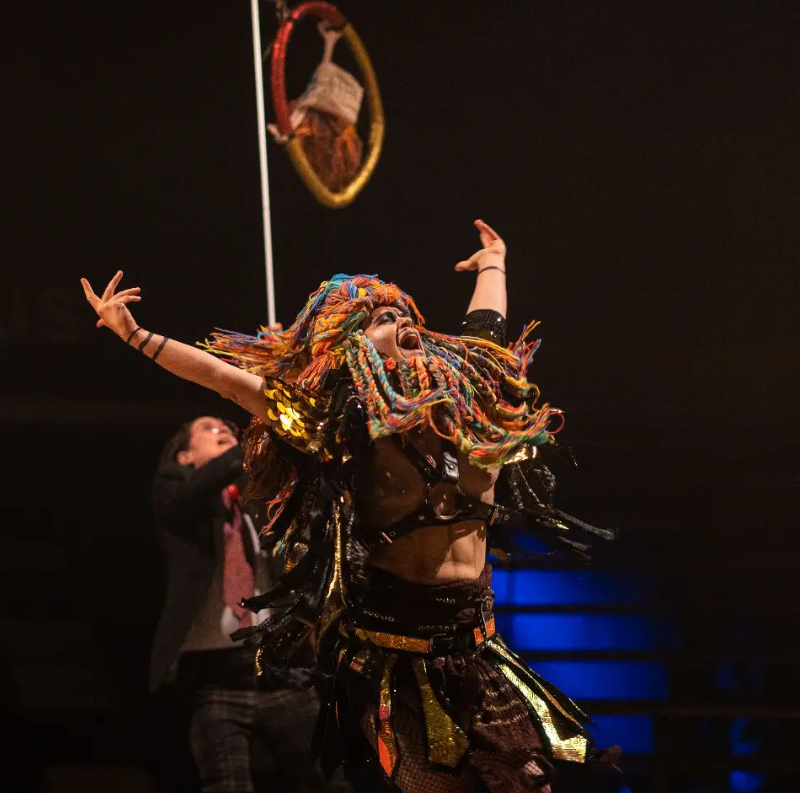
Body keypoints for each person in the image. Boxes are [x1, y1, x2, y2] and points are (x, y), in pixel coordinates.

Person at [82, 219, 620, 793]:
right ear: (352, 349)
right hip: (397, 657)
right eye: (381, 319)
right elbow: (225, 379)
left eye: (405, 314)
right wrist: (135, 335)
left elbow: (486, 326)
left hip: (477, 647)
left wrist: (494, 262)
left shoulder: (473, 399)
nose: (403, 322)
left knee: (530, 783)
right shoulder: (342, 429)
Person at [149, 415, 337, 793]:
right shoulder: (174, 492)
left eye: (229, 430)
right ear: (184, 456)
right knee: (226, 784)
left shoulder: (253, 500)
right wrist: (246, 447)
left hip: (278, 668)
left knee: (327, 780)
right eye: (210, 429)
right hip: (213, 678)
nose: (225, 430)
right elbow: (186, 498)